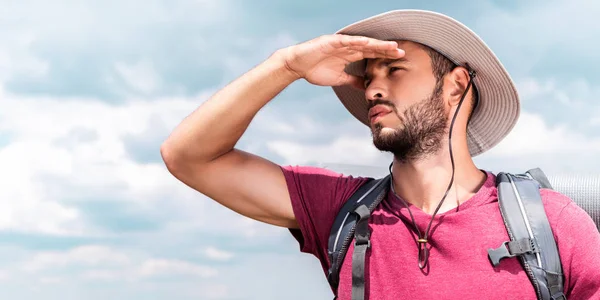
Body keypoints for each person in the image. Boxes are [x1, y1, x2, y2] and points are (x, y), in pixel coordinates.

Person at [160, 9, 600, 300]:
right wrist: (287, 65)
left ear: (456, 85)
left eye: (394, 69)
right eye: (368, 76)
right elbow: (190, 156)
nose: (372, 89)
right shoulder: (341, 211)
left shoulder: (553, 225)